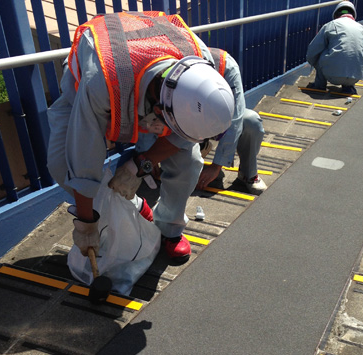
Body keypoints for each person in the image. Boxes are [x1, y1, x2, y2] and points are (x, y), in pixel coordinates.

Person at [47, 11, 237, 266]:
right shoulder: (101, 84)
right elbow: (83, 154)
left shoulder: (200, 64)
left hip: (144, 78)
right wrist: (85, 223)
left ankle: (169, 228)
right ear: (159, 113)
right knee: (61, 164)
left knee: (188, 163)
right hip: (88, 84)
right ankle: (111, 214)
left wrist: (139, 166)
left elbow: (183, 137)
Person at [195, 47, 267, 196]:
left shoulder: (226, 65)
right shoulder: (175, 64)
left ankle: (248, 174)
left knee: (251, 121)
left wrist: (216, 166)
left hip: (219, 118)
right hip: (193, 120)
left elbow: (236, 117)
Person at [306, 1, 363, 95]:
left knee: (322, 51)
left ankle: (319, 85)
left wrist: (314, 63)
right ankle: (348, 87)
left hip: (332, 76)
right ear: (353, 15)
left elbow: (312, 51)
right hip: (355, 77)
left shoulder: (330, 25)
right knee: (353, 51)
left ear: (336, 14)